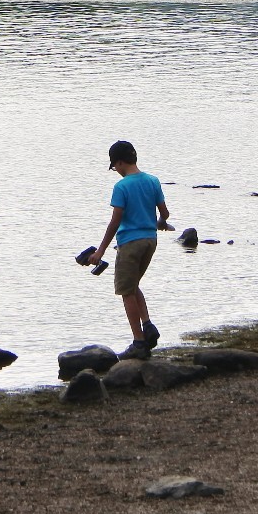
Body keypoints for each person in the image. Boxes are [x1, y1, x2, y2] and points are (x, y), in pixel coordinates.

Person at [90, 139, 167, 357]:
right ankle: (148, 325)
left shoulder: (121, 186)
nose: (115, 171)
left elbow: (115, 221)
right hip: (150, 241)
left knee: (126, 291)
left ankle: (139, 342)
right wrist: (160, 223)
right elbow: (165, 213)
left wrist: (100, 251)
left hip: (130, 243)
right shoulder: (153, 181)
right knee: (133, 285)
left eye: (114, 166)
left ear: (121, 162)